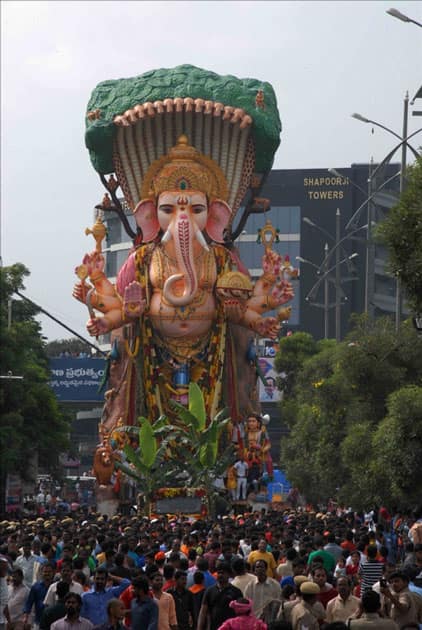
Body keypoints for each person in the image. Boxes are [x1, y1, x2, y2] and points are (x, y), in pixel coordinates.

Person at [197, 561, 242, 630]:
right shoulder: (209, 591)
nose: (220, 575)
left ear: (229, 575)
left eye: (223, 573)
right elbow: (203, 612)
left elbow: (241, 613)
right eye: (219, 572)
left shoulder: (236, 592)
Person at [23, 562, 55, 628]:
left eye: (49, 572)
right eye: (45, 571)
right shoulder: (36, 586)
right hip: (38, 621)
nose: (47, 573)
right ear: (41, 573)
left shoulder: (56, 586)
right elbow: (29, 602)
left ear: (53, 572)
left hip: (53, 622)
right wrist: (25, 617)